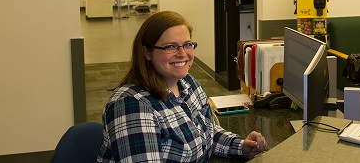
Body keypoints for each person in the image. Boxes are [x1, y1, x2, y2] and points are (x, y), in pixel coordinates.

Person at [97, 11, 267, 163]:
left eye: (187, 44)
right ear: (147, 52)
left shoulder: (188, 83)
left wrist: (241, 146)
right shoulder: (131, 105)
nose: (182, 54)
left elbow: (207, 133)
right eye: (170, 46)